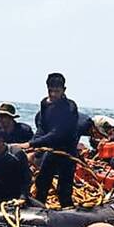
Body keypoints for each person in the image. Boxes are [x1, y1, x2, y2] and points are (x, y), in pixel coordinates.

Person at [20, 72, 79, 208]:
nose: (53, 95)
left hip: (67, 152)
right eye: (50, 91)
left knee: (64, 191)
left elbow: (57, 133)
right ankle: (38, 212)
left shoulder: (69, 107)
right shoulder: (45, 103)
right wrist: (32, 148)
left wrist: (30, 143)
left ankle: (67, 217)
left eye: (57, 91)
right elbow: (43, 128)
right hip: (51, 150)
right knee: (41, 184)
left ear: (64, 90)